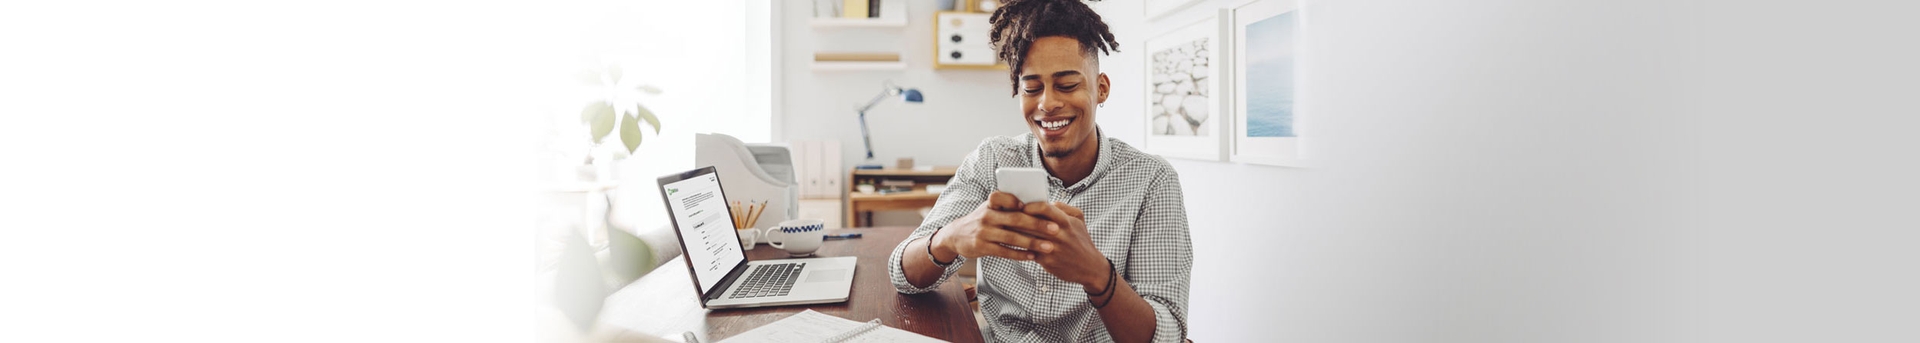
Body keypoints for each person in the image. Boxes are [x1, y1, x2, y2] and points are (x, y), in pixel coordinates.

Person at [886, 0, 1192, 341]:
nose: (1047, 103)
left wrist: (1096, 274)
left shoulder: (1152, 182)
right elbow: (901, 274)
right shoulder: (991, 160)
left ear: (1101, 87)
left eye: (1066, 85)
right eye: (1032, 88)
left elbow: (1167, 335)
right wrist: (950, 238)